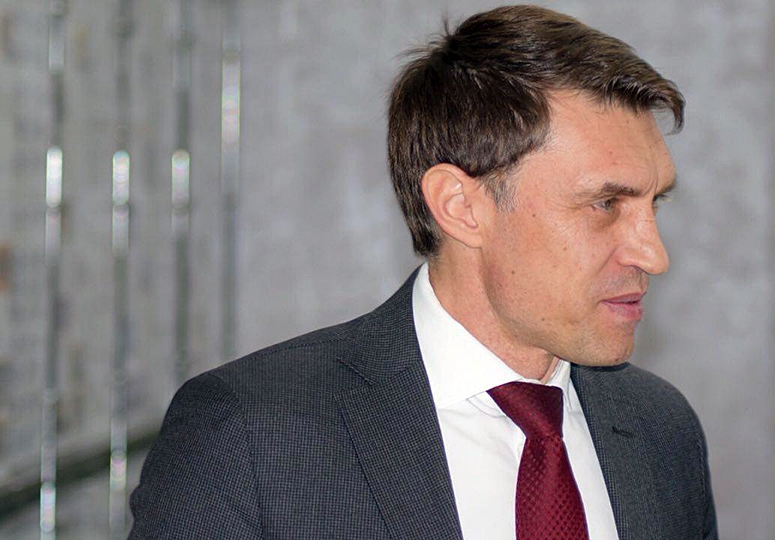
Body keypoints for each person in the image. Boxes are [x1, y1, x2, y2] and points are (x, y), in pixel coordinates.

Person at [129, 5, 718, 539]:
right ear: (461, 207)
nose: (653, 254)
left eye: (655, 204)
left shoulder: (661, 430)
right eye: (606, 204)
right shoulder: (249, 433)